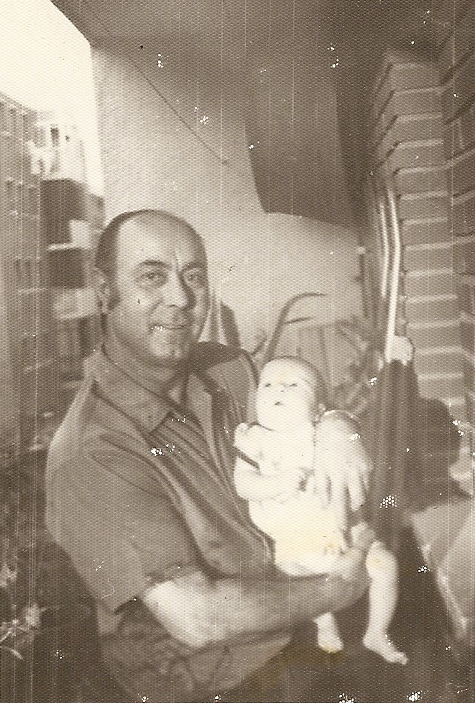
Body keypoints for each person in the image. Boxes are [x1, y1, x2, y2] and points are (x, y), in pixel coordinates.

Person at [45, 209, 374, 703]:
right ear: (104, 290)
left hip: (301, 637)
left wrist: (335, 426)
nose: (181, 298)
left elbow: (299, 408)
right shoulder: (90, 453)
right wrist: (339, 588)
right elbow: (197, 617)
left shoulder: (230, 370)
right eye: (152, 276)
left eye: (193, 276)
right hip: (210, 686)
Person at [233, 356, 408, 665]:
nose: (279, 390)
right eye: (268, 384)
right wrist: (275, 484)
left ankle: (377, 632)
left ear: (318, 410)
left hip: (344, 533)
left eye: (294, 385)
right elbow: (244, 485)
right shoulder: (254, 439)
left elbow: (354, 449)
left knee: (386, 564)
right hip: (294, 542)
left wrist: (343, 432)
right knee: (293, 577)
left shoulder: (325, 433)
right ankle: (324, 620)